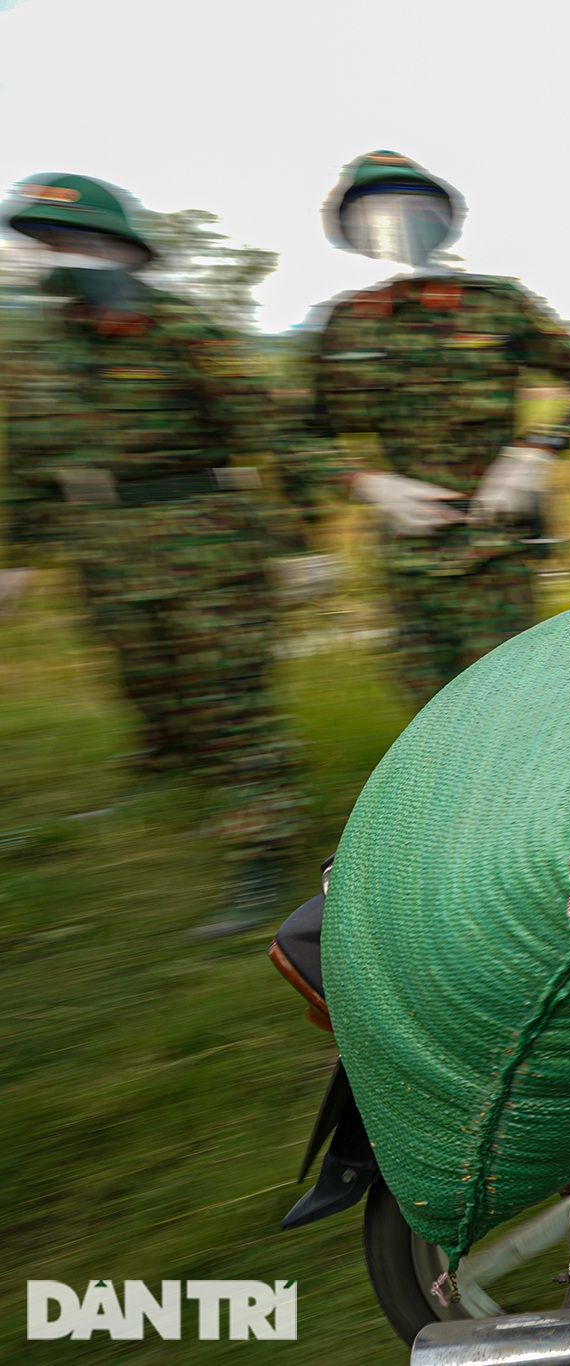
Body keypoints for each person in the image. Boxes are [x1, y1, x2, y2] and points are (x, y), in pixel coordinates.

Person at [0, 173, 319, 934]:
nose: (55, 257)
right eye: (43, 242)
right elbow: (22, 453)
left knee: (229, 698)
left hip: (204, 539)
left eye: (71, 240)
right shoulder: (37, 342)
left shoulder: (182, 326)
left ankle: (260, 843)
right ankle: (169, 779)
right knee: (146, 681)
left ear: (120, 247)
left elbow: (271, 431)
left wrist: (305, 541)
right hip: (104, 548)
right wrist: (17, 553)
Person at [304, 151, 570, 705]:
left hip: (494, 540)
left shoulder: (498, 305)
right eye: (375, 212)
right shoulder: (344, 323)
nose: (396, 221)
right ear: (354, 232)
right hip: (406, 545)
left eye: (413, 207)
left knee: (506, 694)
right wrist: (365, 482)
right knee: (424, 703)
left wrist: (534, 453)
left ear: (441, 221)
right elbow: (301, 433)